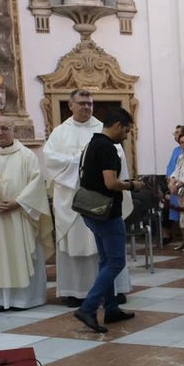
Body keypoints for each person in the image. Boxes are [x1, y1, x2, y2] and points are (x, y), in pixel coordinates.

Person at [42, 88, 132, 306]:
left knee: (105, 249)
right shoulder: (60, 132)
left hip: (102, 197)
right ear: (70, 105)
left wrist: (86, 163)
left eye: (89, 103)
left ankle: (113, 291)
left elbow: (117, 155)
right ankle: (75, 292)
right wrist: (80, 162)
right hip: (72, 200)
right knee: (78, 246)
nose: (86, 107)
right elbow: (49, 159)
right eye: (81, 103)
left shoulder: (103, 129)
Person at [0, 116, 54, 311]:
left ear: (13, 130)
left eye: (4, 128)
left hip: (20, 216)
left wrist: (19, 202)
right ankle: (1, 300)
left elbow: (36, 182)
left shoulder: (26, 155)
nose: (0, 132)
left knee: (22, 253)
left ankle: (25, 299)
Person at [73, 107, 143, 334]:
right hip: (106, 212)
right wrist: (132, 184)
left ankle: (111, 308)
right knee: (115, 262)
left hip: (90, 211)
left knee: (105, 261)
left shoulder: (91, 144)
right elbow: (111, 183)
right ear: (116, 126)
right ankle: (88, 307)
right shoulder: (108, 148)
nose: (126, 135)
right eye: (126, 130)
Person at [163, 124, 184, 247]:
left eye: (178, 132)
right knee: (178, 215)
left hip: (182, 186)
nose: (175, 134)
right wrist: (169, 181)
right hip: (172, 186)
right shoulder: (175, 150)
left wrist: (176, 183)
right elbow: (170, 167)